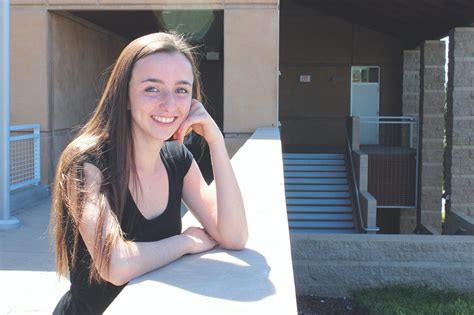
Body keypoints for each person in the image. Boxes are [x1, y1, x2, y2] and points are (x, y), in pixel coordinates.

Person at [49, 32, 248, 314]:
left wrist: (215, 141)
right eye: (152, 89)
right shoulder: (87, 164)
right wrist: (186, 242)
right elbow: (115, 265)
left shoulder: (178, 160)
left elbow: (234, 235)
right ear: (125, 96)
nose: (169, 104)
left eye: (181, 89)